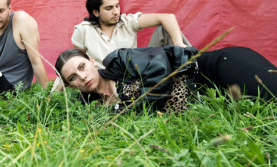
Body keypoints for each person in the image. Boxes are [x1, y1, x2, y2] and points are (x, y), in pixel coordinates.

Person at [55, 46, 277, 113]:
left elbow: (160, 69)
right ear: (69, 85)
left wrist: (126, 106)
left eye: (82, 66)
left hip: (214, 69)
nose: (82, 77)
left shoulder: (118, 62)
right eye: (72, 77)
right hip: (212, 101)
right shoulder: (92, 108)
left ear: (92, 61)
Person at [72, 0, 190, 69]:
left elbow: (168, 17)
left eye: (117, 6)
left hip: (137, 72)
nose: (116, 12)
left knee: (164, 29)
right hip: (105, 82)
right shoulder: (83, 30)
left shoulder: (127, 22)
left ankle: (196, 69)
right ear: (96, 12)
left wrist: (178, 43)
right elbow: (74, 61)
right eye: (109, 8)